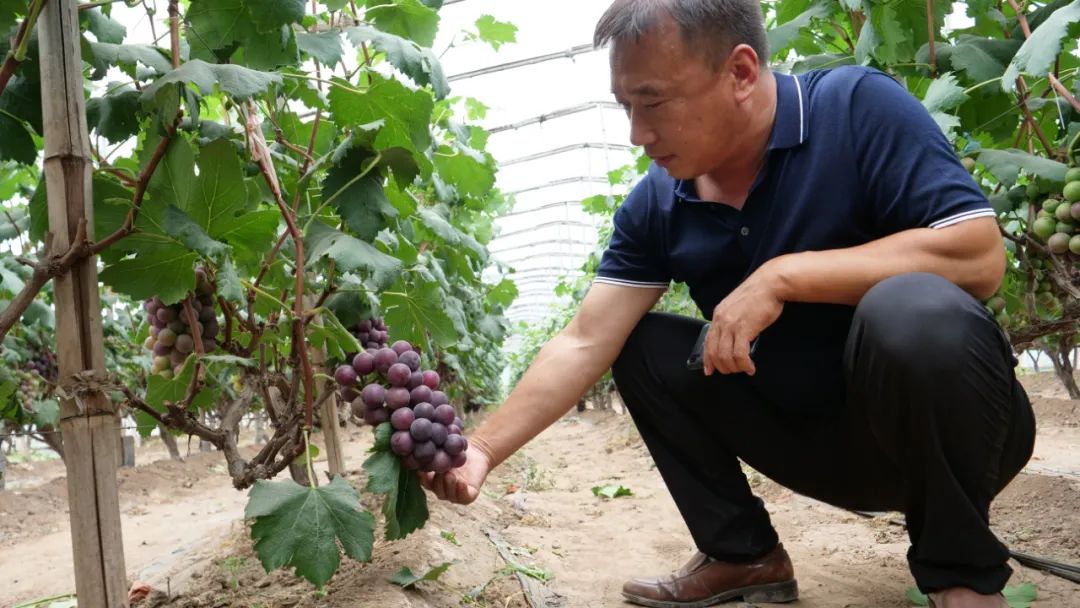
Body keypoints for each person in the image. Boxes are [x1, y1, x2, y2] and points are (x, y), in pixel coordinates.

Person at [418, 1, 1037, 606]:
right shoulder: (656, 204)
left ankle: (962, 578)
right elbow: (584, 339)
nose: (638, 134)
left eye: (653, 101)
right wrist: (483, 449)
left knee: (911, 308)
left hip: (951, 438)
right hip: (815, 448)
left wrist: (783, 277)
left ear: (740, 72)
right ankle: (743, 555)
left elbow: (977, 257)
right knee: (637, 344)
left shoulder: (855, 109)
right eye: (626, 107)